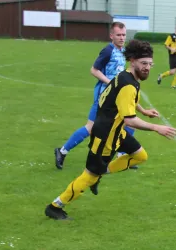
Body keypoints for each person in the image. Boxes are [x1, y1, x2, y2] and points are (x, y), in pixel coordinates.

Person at [44, 40, 176, 220]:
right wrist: (156, 127)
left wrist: (144, 111)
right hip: (105, 136)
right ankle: (55, 206)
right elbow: (129, 120)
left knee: (140, 156)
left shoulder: (125, 77)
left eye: (150, 64)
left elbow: (125, 101)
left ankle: (102, 172)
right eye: (143, 63)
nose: (147, 68)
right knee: (89, 175)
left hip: (116, 132)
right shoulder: (129, 84)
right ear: (132, 61)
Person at [54, 22, 155, 170]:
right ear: (111, 35)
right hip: (104, 98)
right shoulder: (108, 51)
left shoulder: (125, 52)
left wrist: (143, 110)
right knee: (91, 128)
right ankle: (62, 151)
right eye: (118, 35)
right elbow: (94, 70)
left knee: (128, 122)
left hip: (118, 98)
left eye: (124, 35)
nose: (121, 38)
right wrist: (111, 83)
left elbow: (127, 90)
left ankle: (122, 155)